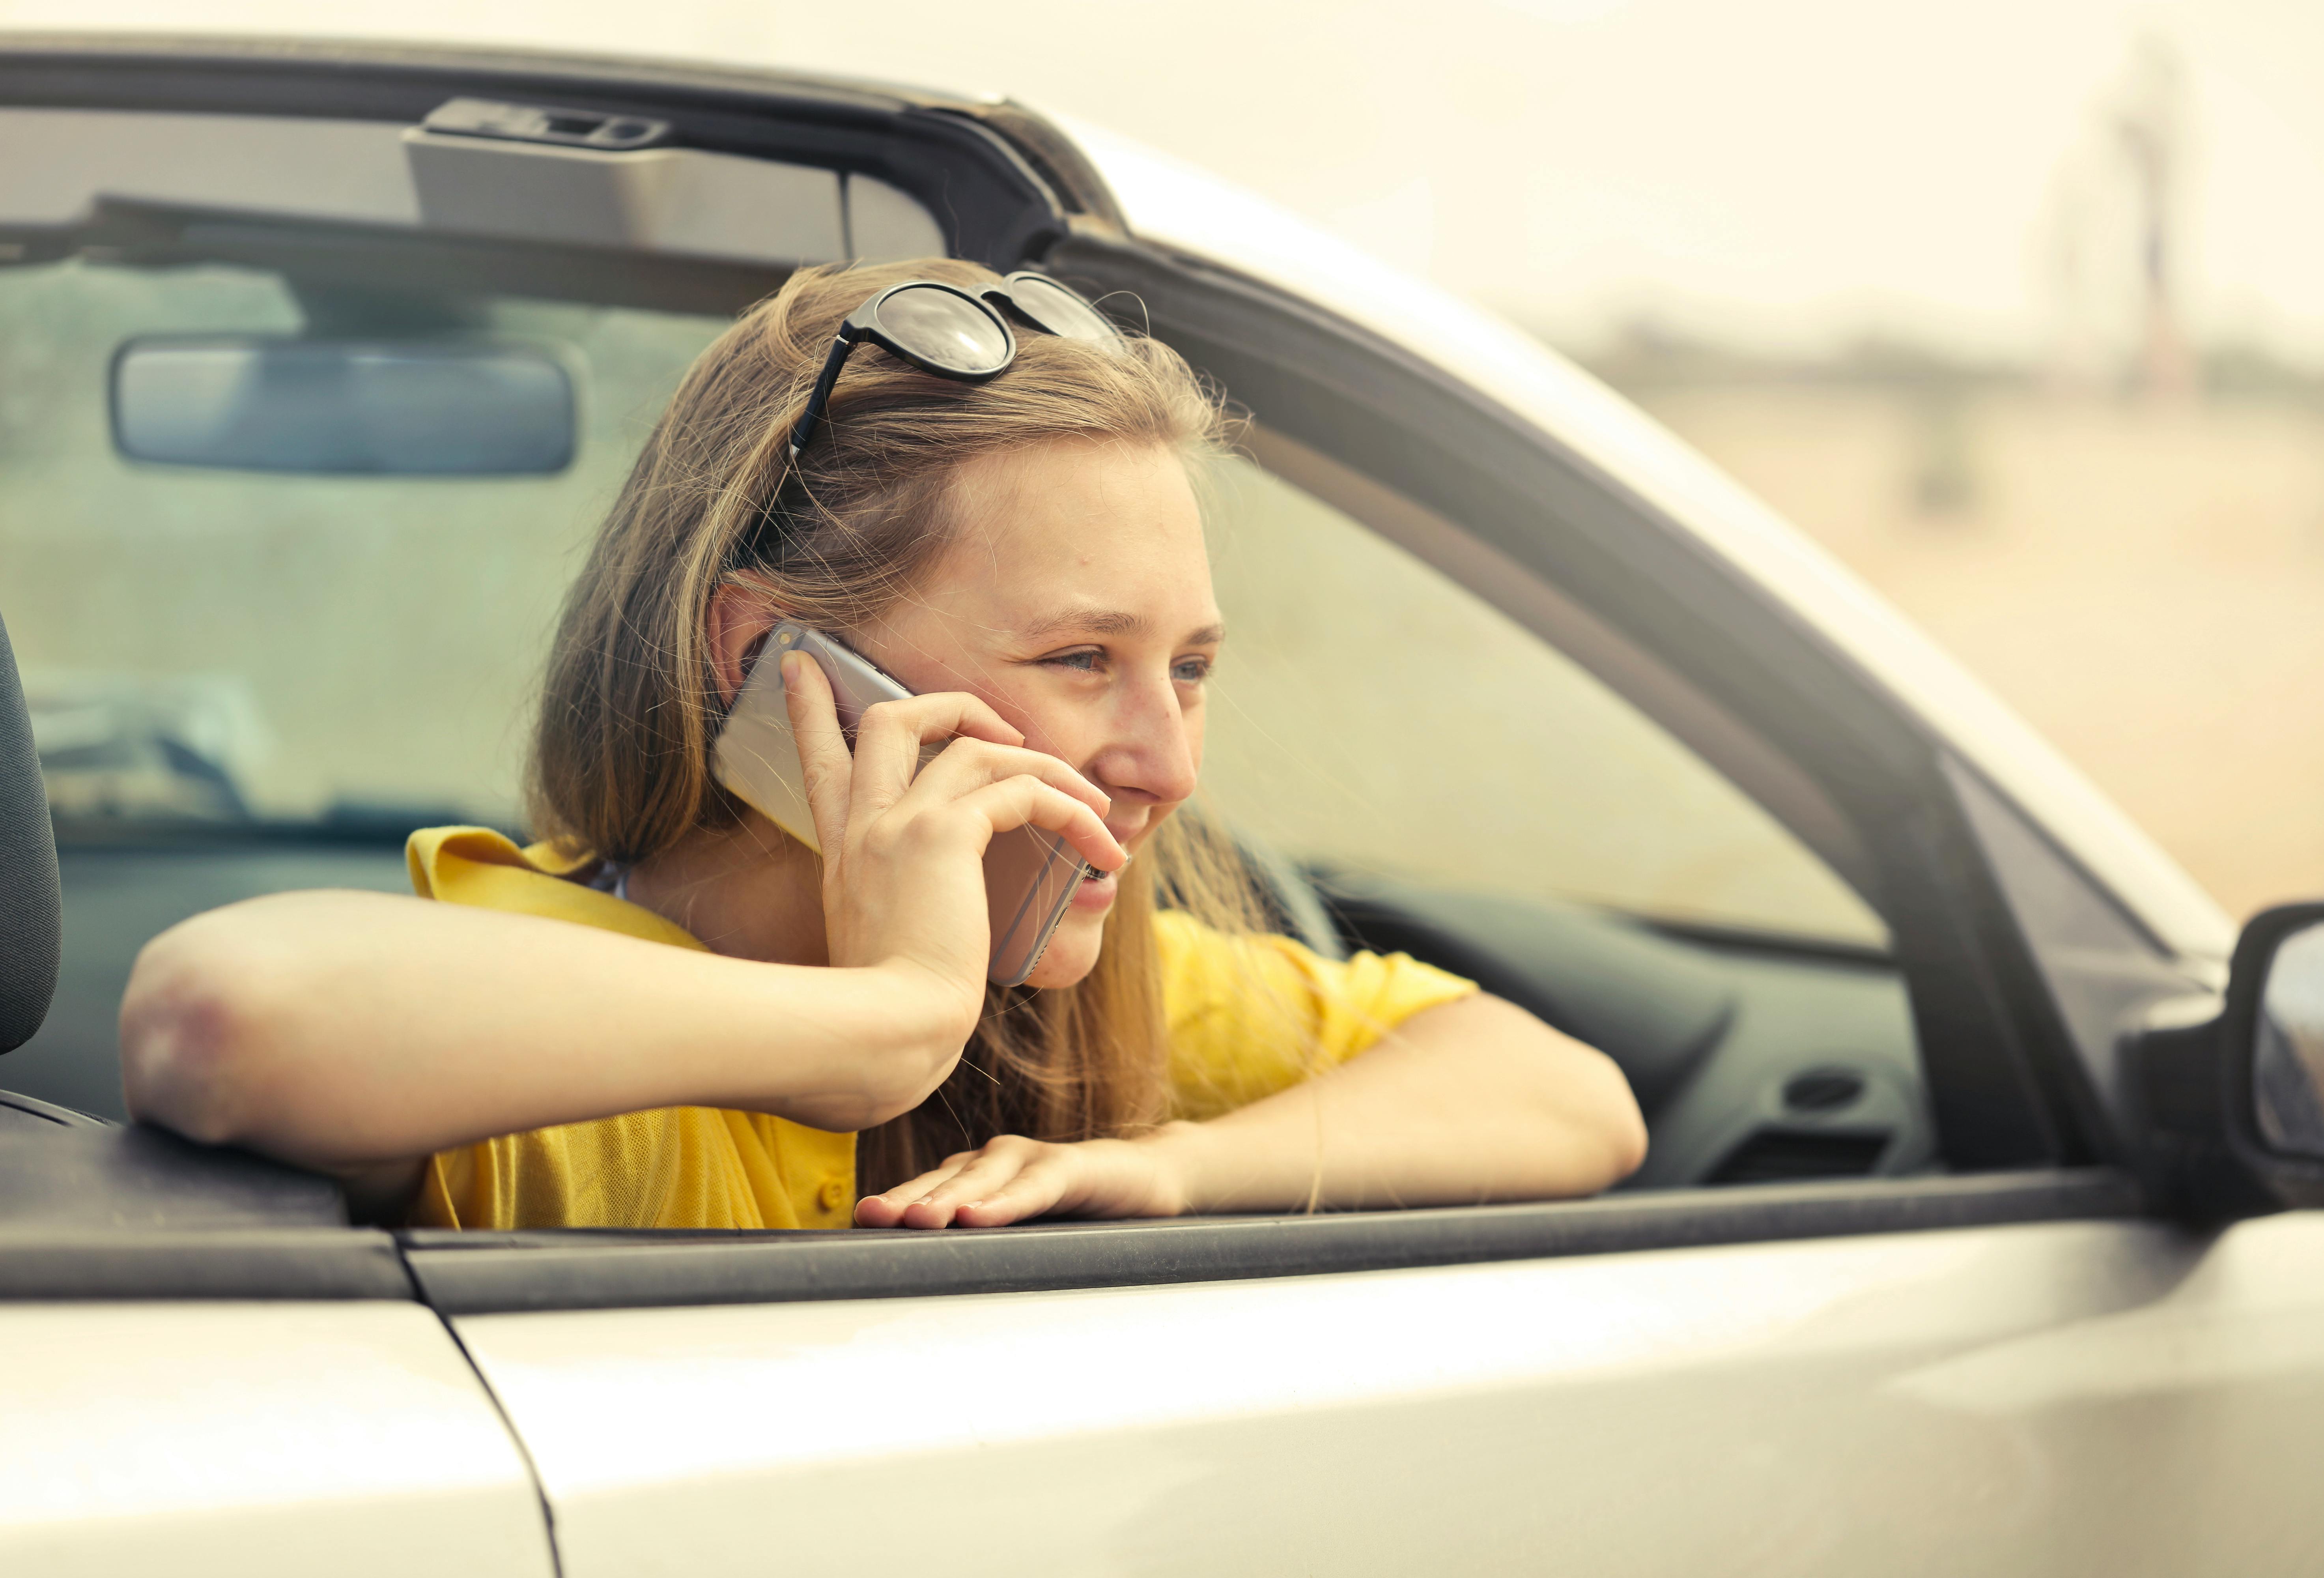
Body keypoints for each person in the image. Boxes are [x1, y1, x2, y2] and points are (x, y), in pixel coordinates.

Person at [119, 258, 1645, 1231]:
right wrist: (889, 1018)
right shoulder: (538, 989)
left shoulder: (1070, 991)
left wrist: (1173, 1168)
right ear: (768, 659)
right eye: (1078, 659)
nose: (1169, 764)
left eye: (1188, 668)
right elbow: (222, 1022)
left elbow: (1573, 1099)